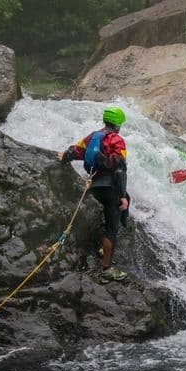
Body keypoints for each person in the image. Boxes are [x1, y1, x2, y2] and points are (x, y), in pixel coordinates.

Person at [58, 106, 130, 283]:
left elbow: (75, 151)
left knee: (127, 199)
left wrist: (63, 157)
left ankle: (105, 249)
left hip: (94, 186)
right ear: (119, 124)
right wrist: (121, 196)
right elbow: (120, 171)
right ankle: (106, 269)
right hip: (110, 187)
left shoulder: (93, 136)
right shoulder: (117, 140)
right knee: (112, 229)